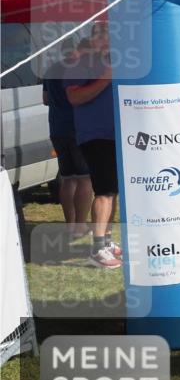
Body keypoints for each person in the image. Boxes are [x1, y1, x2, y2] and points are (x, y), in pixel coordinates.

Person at [65, 24, 121, 269]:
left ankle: (106, 242)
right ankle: (97, 249)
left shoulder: (115, 60)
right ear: (93, 38)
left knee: (113, 191)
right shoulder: (80, 63)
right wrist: (105, 79)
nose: (107, 38)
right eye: (102, 34)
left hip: (117, 134)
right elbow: (74, 97)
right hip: (95, 135)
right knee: (105, 191)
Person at [42, 40, 93, 240]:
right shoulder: (81, 70)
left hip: (57, 128)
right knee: (85, 178)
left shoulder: (51, 69)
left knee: (67, 178)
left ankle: (70, 225)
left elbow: (45, 99)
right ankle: (80, 226)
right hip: (78, 128)